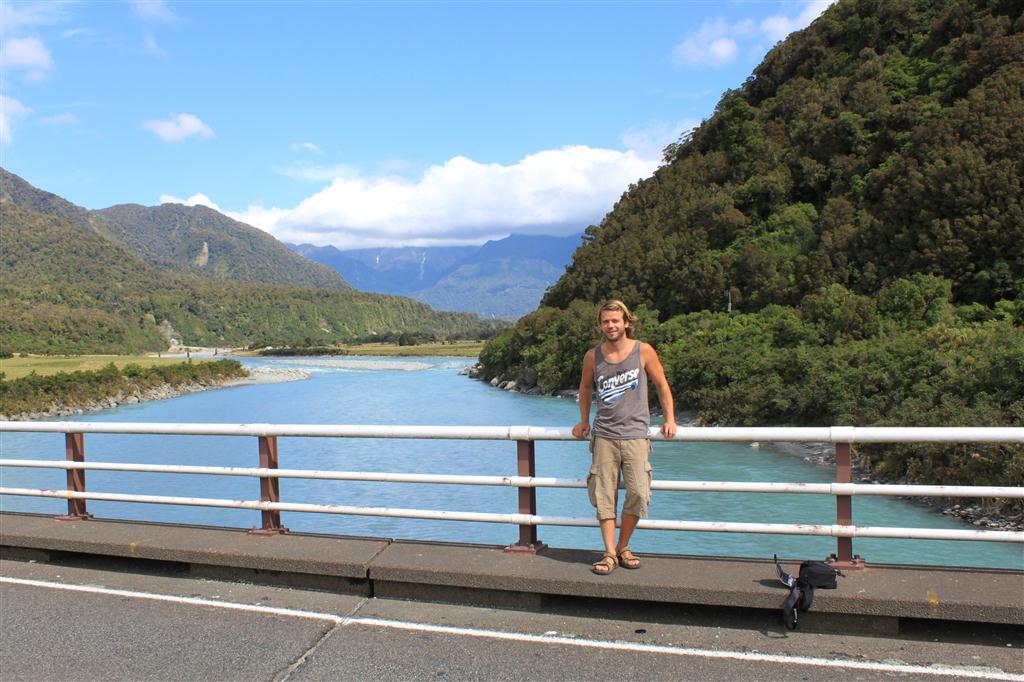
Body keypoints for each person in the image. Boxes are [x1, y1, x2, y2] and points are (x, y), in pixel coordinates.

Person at [571, 300, 676, 575]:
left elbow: (662, 384)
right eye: (606, 321)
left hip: (635, 435)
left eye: (615, 320)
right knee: (604, 497)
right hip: (604, 435)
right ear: (600, 324)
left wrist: (670, 419)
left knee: (639, 493)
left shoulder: (644, 351)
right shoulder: (593, 356)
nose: (611, 325)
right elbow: (584, 388)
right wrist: (583, 421)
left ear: (627, 322)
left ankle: (622, 546)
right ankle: (609, 553)